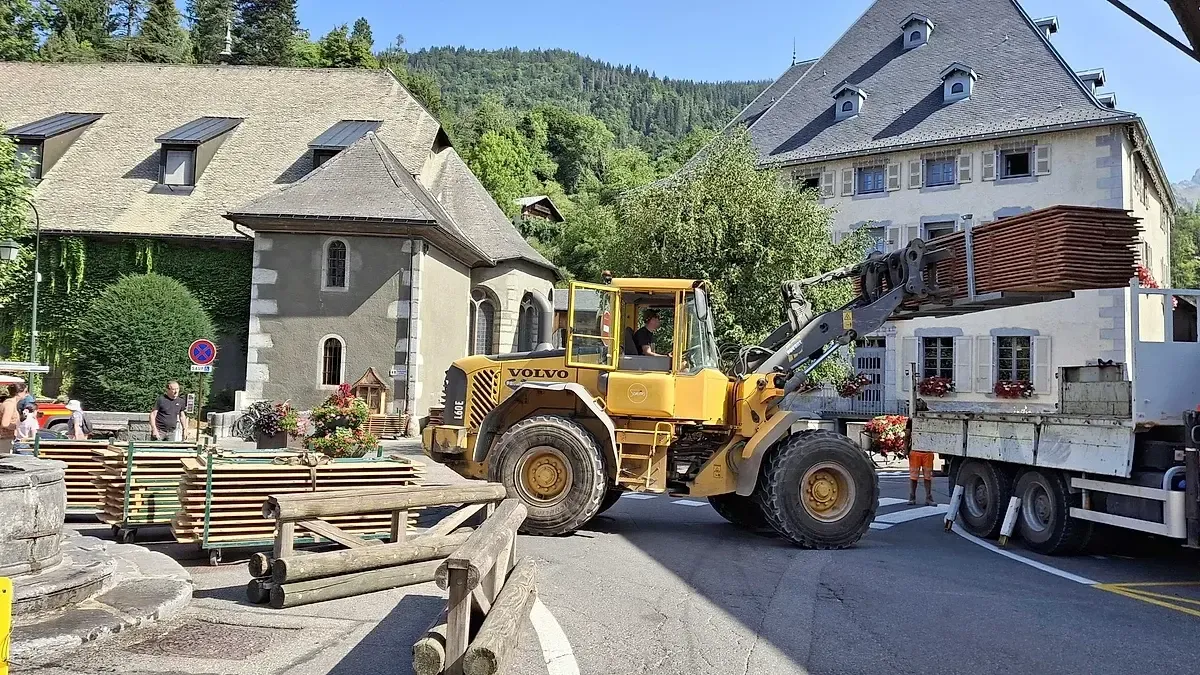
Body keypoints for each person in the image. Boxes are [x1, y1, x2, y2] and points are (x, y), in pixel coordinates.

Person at [0, 384, 20, 454]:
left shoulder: (11, 403)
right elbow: (5, 424)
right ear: (19, 393)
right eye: (26, 392)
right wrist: (18, 427)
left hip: (7, 438)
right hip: (4, 439)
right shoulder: (10, 404)